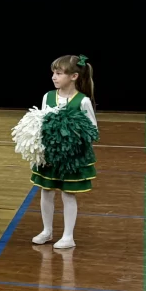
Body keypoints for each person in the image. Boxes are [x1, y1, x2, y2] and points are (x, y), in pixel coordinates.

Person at [31, 54, 97, 250]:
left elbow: (93, 130)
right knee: (46, 191)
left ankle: (68, 236)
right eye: (53, 72)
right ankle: (46, 230)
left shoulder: (82, 101)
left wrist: (73, 137)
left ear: (74, 76)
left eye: (59, 73)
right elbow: (40, 121)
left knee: (68, 194)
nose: (54, 76)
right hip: (50, 156)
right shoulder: (48, 97)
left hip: (71, 158)